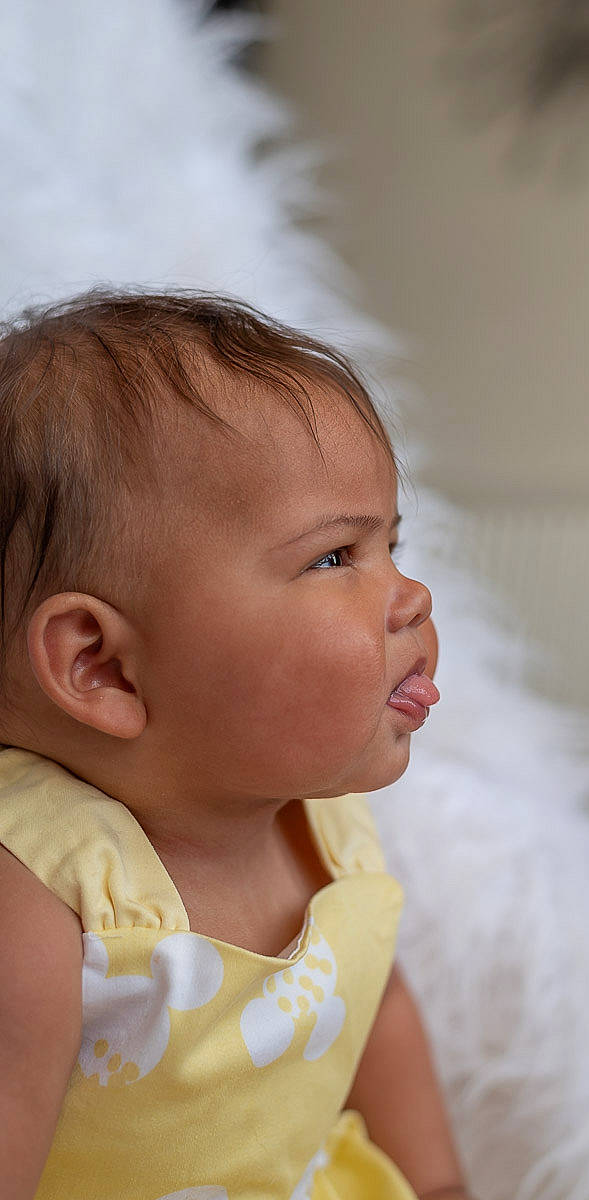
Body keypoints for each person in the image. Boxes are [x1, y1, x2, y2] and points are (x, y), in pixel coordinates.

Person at [0, 291, 471, 1200]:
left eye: (393, 544)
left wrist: (440, 1184)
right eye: (335, 556)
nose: (410, 594)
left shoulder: (330, 827)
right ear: (104, 666)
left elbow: (371, 1008)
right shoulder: (41, 889)